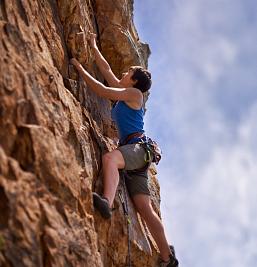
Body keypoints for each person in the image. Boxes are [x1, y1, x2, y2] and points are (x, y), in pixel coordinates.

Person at [70, 32, 178, 267]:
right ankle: (167, 258)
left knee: (110, 159)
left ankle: (106, 203)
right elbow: (107, 71)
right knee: (144, 208)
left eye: (128, 72)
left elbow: (103, 90)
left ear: (134, 81)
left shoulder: (134, 94)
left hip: (136, 149)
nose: (123, 73)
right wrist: (93, 45)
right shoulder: (128, 93)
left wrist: (79, 68)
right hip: (139, 154)